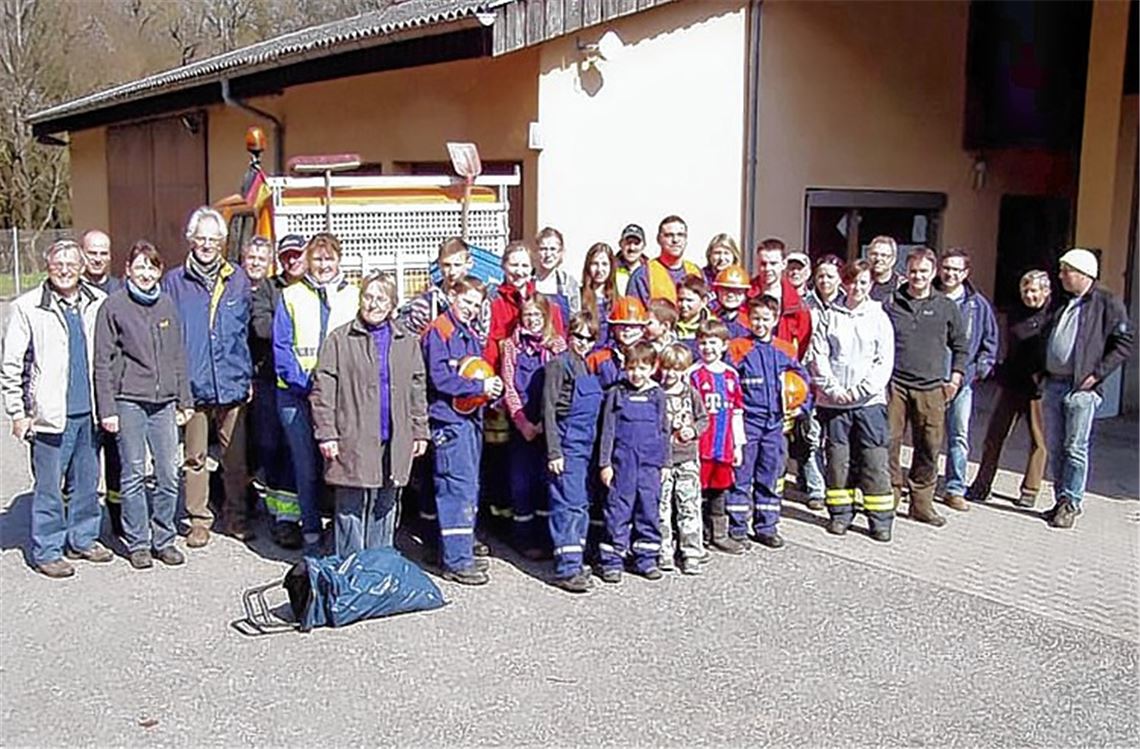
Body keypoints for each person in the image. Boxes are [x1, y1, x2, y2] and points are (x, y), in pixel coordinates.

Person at [1, 239, 110, 577]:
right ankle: (48, 548)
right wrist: (17, 412)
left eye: (71, 263)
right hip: (49, 416)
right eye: (58, 263)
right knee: (49, 487)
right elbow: (12, 364)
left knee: (88, 483)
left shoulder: (98, 301)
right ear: (48, 266)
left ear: (82, 268)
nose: (65, 269)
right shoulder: (27, 306)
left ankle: (83, 538)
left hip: (88, 412)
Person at [310, 272, 429, 557]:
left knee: (386, 504)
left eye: (381, 298)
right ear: (360, 298)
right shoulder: (339, 339)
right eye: (368, 296)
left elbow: (417, 387)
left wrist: (420, 430)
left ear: (392, 305)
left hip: (395, 436)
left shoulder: (406, 341)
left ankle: (377, 567)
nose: (374, 304)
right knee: (351, 505)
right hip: (352, 436)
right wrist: (326, 433)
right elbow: (322, 389)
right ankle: (350, 569)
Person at [93, 241, 191, 569]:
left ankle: (164, 539)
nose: (146, 273)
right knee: (134, 473)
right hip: (129, 401)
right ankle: (138, 542)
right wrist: (107, 409)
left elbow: (178, 355)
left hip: (164, 403)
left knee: (167, 474)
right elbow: (103, 362)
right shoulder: (114, 306)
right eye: (140, 267)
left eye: (151, 267)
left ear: (159, 271)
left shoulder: (167, 305)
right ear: (128, 270)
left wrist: (184, 399)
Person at [163, 207, 253, 548]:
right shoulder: (173, 281)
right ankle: (199, 519)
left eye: (213, 239)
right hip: (193, 385)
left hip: (232, 382)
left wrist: (245, 379)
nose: (206, 245)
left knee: (235, 458)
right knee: (195, 457)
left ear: (223, 242)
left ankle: (236, 516)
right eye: (200, 238)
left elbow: (243, 333)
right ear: (190, 240)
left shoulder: (238, 279)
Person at [273, 232, 359, 553]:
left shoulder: (354, 295)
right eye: (318, 258)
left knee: (338, 467)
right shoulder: (291, 295)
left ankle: (338, 534)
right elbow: (282, 348)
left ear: (339, 259)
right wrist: (309, 385)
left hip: (339, 399)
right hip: (296, 397)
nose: (323, 265)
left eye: (329, 258)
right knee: (306, 468)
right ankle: (310, 532)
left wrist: (332, 388)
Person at [1039, 248, 1133, 529]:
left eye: (1066, 271)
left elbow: (1124, 343)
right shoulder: (1063, 301)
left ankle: (1072, 502)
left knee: (1075, 447)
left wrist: (1096, 375)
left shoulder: (1106, 302)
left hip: (1081, 387)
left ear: (1083, 274)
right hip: (1053, 383)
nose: (1061, 276)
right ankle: (1059, 500)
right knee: (1055, 447)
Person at [424, 276, 503, 585]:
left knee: (467, 487)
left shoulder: (467, 332)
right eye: (466, 301)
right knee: (455, 488)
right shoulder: (440, 331)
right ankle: (456, 561)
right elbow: (440, 379)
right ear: (451, 295)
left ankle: (457, 550)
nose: (470, 309)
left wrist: (488, 390)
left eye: (476, 304)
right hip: (448, 421)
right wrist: (479, 385)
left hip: (468, 419)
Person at [809, 259, 896, 541]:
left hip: (868, 403)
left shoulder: (879, 316)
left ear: (871, 284)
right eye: (852, 281)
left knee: (874, 460)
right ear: (843, 283)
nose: (856, 287)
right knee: (838, 461)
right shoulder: (830, 315)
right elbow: (818, 355)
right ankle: (840, 514)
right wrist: (833, 389)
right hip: (834, 403)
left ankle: (880, 519)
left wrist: (861, 390)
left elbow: (884, 361)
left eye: (863, 282)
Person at [885, 247, 968, 527]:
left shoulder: (946, 306)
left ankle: (921, 504)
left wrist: (955, 377)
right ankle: (890, 498)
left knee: (929, 446)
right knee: (889, 443)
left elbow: (961, 347)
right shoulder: (892, 302)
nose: (917, 276)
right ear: (905, 273)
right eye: (913, 271)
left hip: (932, 388)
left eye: (923, 272)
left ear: (933, 273)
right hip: (895, 385)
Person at [727, 295, 810, 549]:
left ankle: (767, 526)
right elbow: (729, 382)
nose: (760, 323)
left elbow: (802, 382)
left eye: (765, 319)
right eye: (755, 319)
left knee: (770, 475)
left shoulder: (785, 350)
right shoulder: (738, 348)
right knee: (741, 475)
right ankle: (737, 527)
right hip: (748, 422)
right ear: (748, 319)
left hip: (775, 425)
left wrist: (801, 408)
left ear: (775, 320)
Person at [967, 270, 1051, 508]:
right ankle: (981, 485)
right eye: (1025, 290)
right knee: (994, 437)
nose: (1029, 295)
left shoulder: (1053, 316)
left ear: (1046, 291)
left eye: (1034, 290)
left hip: (1038, 387)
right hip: (1012, 383)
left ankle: (1030, 489)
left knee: (1038, 440)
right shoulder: (1014, 313)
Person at [248, 234, 305, 549]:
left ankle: (294, 518)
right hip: (271, 381)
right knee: (271, 447)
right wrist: (298, 324)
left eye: (297, 255)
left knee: (299, 451)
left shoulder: (313, 287)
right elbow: (262, 327)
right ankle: (279, 515)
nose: (292, 260)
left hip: (307, 383)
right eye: (287, 256)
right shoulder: (269, 289)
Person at [597, 340, 670, 582]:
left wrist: (665, 463)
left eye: (642, 368)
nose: (636, 374)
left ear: (652, 368)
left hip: (650, 465)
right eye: (631, 368)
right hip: (622, 464)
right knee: (618, 511)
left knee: (648, 510)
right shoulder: (617, 393)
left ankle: (646, 558)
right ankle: (612, 560)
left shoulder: (658, 394)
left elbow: (664, 431)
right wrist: (605, 463)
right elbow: (607, 430)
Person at [500, 295, 566, 558]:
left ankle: (549, 537)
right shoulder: (511, 347)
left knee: (547, 481)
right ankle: (524, 539)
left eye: (537, 315)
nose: (532, 320)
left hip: (550, 425)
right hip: (522, 424)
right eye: (527, 315)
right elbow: (509, 386)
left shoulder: (558, 346)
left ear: (546, 317)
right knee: (521, 484)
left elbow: (564, 386)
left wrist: (547, 424)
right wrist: (523, 423)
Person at [544, 312, 604, 593]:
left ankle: (576, 560)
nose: (582, 342)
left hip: (585, 447)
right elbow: (548, 409)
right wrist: (554, 452)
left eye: (589, 338)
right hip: (566, 445)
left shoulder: (585, 367)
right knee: (566, 506)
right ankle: (566, 568)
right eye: (578, 336)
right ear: (569, 335)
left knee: (580, 505)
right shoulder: (559, 365)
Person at [935, 248, 999, 511]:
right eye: (947, 267)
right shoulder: (929, 297)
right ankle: (921, 485)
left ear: (965, 273)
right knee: (926, 437)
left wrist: (978, 371)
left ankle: (954, 488)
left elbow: (990, 341)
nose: (950, 273)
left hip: (962, 383)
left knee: (958, 436)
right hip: (929, 381)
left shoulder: (977, 305)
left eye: (956, 269)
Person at [690, 320, 745, 555]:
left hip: (723, 445)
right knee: (696, 489)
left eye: (712, 343)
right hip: (699, 445)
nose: (707, 348)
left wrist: (738, 446)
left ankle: (719, 533)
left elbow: (737, 411)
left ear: (724, 345)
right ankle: (697, 533)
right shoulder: (692, 374)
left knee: (720, 488)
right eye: (702, 343)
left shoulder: (731, 375)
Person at [657, 343, 709, 575]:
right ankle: (663, 550)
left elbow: (704, 419)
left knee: (689, 505)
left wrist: (694, 430)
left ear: (684, 370)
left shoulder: (691, 394)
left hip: (687, 457)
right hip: (662, 461)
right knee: (662, 507)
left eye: (676, 369)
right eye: (667, 368)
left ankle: (691, 551)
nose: (670, 374)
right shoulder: (656, 393)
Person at [399, 237, 476, 337]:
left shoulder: (480, 300)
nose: (452, 272)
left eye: (457, 265)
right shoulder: (426, 302)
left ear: (469, 264)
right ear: (439, 264)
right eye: (447, 265)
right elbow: (409, 338)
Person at [749, 239, 813, 359]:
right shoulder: (746, 296)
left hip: (781, 365)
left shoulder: (797, 305)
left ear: (783, 265)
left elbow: (803, 343)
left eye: (773, 263)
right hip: (750, 363)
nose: (768, 269)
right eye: (763, 264)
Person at [627, 215, 702, 305]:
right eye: (669, 235)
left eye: (680, 235)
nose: (675, 240)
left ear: (686, 240)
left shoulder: (697, 272)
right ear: (659, 239)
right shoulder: (643, 275)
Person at [586, 296, 649, 388]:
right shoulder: (598, 359)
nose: (627, 330)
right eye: (622, 325)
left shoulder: (652, 358)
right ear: (613, 328)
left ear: (643, 329)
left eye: (633, 326)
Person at [534, 227, 581, 324]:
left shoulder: (568, 283)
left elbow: (575, 319)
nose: (548, 254)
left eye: (553, 249)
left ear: (561, 252)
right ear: (536, 251)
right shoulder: (526, 280)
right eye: (543, 249)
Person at [580, 242, 616, 347]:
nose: (600, 270)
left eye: (604, 264)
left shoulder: (616, 300)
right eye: (595, 264)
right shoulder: (578, 296)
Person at [710, 265, 752, 339]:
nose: (730, 295)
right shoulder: (709, 318)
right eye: (726, 289)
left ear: (745, 293)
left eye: (737, 291)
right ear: (717, 291)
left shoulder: (750, 322)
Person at [81, 229, 124, 294]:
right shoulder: (72, 289)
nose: (98, 259)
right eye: (92, 253)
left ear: (109, 256)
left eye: (103, 254)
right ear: (81, 254)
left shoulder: (120, 289)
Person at [867, 235, 904, 303]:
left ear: (893, 259)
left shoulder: (903, 286)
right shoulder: (859, 283)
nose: (878, 259)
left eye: (883, 255)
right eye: (874, 254)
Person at [614, 224, 647, 296]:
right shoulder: (610, 269)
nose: (632, 248)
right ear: (620, 244)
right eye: (628, 242)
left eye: (636, 243)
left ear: (644, 245)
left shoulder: (651, 271)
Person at [675, 275, 709, 343]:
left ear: (704, 301)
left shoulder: (711, 327)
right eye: (680, 300)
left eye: (689, 300)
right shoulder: (671, 326)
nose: (684, 305)